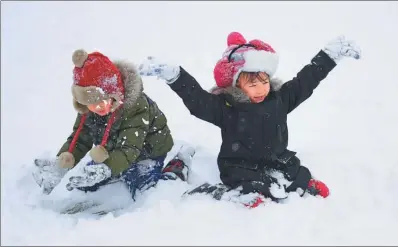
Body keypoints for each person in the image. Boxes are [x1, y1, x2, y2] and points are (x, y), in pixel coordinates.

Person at [138, 32, 361, 206]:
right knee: (252, 184)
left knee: (294, 172)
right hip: (239, 164)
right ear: (237, 85)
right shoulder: (227, 107)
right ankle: (239, 195)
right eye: (252, 84)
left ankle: (303, 185)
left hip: (276, 159)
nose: (261, 89)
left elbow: (306, 81)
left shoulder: (279, 100)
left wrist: (329, 55)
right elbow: (197, 100)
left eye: (264, 82)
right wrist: (176, 76)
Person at [32, 49, 192, 201]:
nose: (96, 109)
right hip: (113, 149)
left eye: (101, 103)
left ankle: (176, 167)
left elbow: (129, 150)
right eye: (90, 105)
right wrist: (66, 158)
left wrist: (106, 168)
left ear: (115, 94)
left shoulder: (136, 108)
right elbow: (81, 137)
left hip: (147, 150)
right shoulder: (90, 108)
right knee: (88, 181)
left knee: (143, 186)